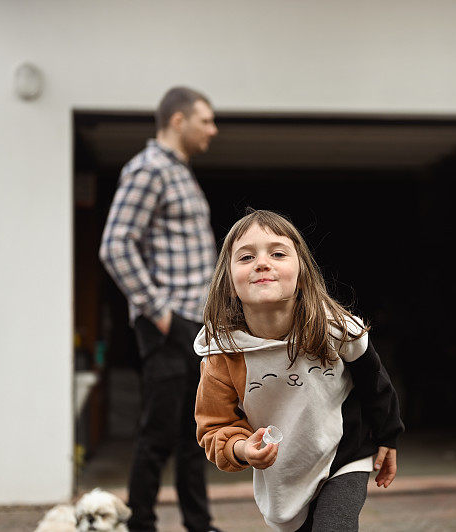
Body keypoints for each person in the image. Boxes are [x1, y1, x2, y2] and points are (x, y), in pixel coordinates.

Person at [194, 209, 404, 531]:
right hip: (284, 473)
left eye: (278, 253)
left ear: (302, 274)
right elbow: (214, 427)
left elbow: (375, 382)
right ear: (229, 283)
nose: (262, 263)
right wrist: (242, 448)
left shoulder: (336, 329)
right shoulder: (222, 354)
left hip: (345, 454)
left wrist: (388, 436)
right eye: (246, 257)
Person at [99, 86, 220, 532]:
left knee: (196, 435)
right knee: (158, 434)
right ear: (177, 120)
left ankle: (199, 525)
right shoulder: (149, 169)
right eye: (205, 119)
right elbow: (114, 245)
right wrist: (159, 310)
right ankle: (141, 525)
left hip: (194, 325)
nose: (213, 129)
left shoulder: (179, 173)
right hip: (171, 324)